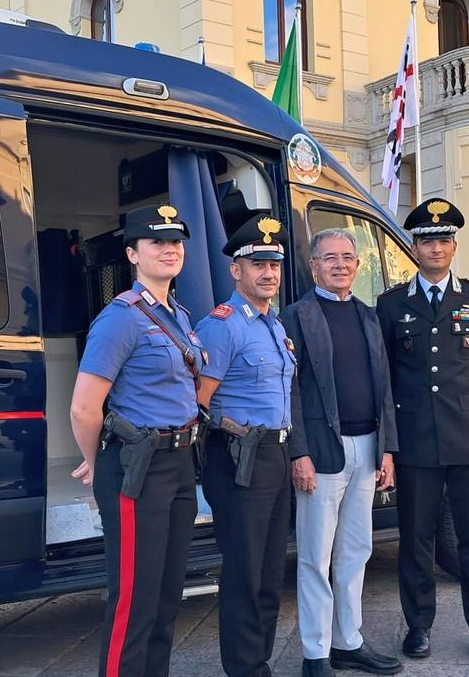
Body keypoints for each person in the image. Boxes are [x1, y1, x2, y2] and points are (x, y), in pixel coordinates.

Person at [69, 203, 205, 677]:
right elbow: (85, 407)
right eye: (156, 242)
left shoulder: (179, 315)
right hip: (136, 468)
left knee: (168, 594)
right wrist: (93, 461)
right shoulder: (120, 319)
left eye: (175, 242)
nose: (169, 249)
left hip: (179, 464)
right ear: (132, 253)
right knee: (134, 596)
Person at [375, 197, 469, 664]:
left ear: (454, 247)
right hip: (415, 440)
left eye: (444, 240)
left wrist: (458, 403)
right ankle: (418, 626)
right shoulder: (391, 304)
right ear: (413, 248)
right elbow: (387, 373)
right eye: (428, 240)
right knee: (416, 538)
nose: (436, 248)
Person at [280, 228, 401, 677]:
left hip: (368, 448)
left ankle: (349, 641)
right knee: (316, 556)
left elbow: (383, 386)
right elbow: (287, 389)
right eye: (329, 257)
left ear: (357, 264)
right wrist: (299, 452)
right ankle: (316, 654)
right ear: (314, 266)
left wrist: (388, 448)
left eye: (348, 257)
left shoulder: (368, 316)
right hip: (321, 453)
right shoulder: (295, 316)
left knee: (356, 551)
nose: (340, 264)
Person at [194, 214, 296, 677]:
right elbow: (199, 401)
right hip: (239, 459)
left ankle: (260, 661)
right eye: (257, 264)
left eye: (274, 263)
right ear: (236, 270)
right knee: (245, 571)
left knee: (272, 572)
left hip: (275, 455)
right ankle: (243, 667)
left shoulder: (274, 325)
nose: (268, 273)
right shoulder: (224, 325)